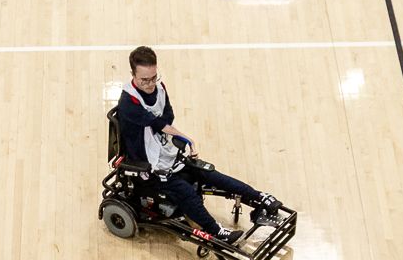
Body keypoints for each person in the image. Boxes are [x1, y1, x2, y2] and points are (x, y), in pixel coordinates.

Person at [112, 46, 281, 246]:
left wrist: (169, 134)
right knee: (186, 193)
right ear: (133, 74)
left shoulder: (160, 88)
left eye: (153, 77)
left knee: (209, 173)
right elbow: (160, 124)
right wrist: (187, 139)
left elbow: (168, 116)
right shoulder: (129, 102)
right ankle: (216, 232)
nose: (150, 84)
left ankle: (259, 197)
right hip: (149, 167)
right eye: (144, 80)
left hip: (167, 154)